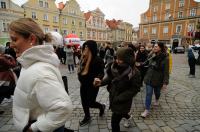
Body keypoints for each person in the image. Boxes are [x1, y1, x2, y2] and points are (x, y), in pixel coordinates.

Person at [9, 18, 73, 132]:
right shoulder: (30, 63)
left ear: (32, 39)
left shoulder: (40, 71)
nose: (11, 45)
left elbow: (62, 108)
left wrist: (35, 128)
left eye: (14, 39)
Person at [94, 47, 141, 132]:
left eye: (120, 59)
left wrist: (120, 98)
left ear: (127, 60)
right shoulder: (114, 67)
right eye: (117, 58)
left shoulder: (134, 72)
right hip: (113, 96)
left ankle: (127, 117)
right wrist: (100, 82)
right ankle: (128, 117)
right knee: (120, 113)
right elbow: (109, 78)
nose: (117, 61)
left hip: (123, 101)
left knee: (114, 122)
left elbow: (135, 89)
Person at [78, 40, 105, 127]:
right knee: (84, 102)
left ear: (92, 48)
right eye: (84, 47)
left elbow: (101, 72)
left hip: (93, 85)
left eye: (87, 47)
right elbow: (81, 69)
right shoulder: (83, 58)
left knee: (90, 102)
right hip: (83, 84)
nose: (85, 49)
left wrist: (98, 78)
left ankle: (101, 107)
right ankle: (87, 116)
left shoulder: (98, 60)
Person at [141, 42, 169, 118]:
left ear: (160, 47)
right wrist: (151, 53)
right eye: (154, 47)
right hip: (149, 77)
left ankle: (157, 99)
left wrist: (165, 82)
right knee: (148, 94)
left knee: (157, 92)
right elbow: (146, 60)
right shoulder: (152, 55)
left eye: (156, 47)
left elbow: (166, 71)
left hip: (158, 79)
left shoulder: (165, 58)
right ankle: (147, 110)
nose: (154, 48)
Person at [0, 45, 16, 115]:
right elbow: (13, 64)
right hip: (5, 77)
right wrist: (11, 58)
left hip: (3, 77)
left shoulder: (3, 57)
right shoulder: (2, 58)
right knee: (3, 92)